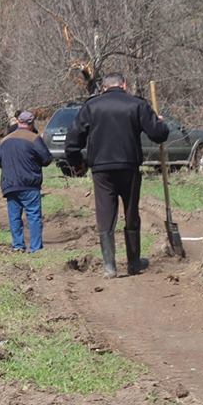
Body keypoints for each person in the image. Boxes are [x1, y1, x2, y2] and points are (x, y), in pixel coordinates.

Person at [64, 73, 169, 278]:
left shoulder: (91, 107)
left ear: (103, 88)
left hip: (101, 169)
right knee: (131, 214)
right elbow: (158, 134)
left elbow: (72, 140)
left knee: (105, 216)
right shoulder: (137, 104)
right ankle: (134, 262)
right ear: (124, 85)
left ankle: (109, 267)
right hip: (129, 166)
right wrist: (160, 122)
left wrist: (77, 163)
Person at [0, 111, 53, 252]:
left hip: (10, 184)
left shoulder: (4, 140)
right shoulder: (34, 139)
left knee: (14, 217)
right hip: (29, 184)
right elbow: (46, 159)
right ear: (31, 123)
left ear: (18, 122)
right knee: (33, 216)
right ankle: (36, 248)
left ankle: (18, 246)